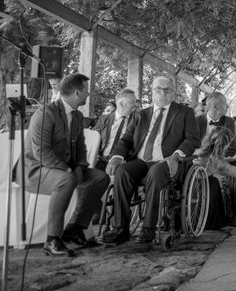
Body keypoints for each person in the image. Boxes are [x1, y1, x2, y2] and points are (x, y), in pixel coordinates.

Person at [99, 76, 199, 245]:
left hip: (166, 162)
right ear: (151, 91)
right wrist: (117, 157)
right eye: (158, 89)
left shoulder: (184, 112)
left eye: (167, 89)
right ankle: (120, 228)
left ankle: (148, 228)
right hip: (141, 161)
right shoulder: (141, 115)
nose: (163, 93)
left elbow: (192, 139)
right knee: (122, 171)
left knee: (156, 171)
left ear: (173, 92)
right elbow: (127, 138)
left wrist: (176, 155)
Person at [19, 73, 109, 256]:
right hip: (35, 170)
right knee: (66, 180)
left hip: (65, 170)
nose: (88, 95)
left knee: (101, 178)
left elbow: (81, 147)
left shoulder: (76, 116)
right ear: (77, 93)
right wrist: (69, 170)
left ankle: (75, 227)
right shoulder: (46, 113)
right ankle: (52, 240)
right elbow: (41, 153)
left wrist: (80, 166)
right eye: (86, 91)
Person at [194, 126, 236, 229]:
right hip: (205, 189)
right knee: (213, 182)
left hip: (191, 186)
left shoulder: (199, 152)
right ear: (224, 144)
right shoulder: (217, 161)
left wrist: (232, 158)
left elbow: (216, 161)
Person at [195, 91, 236, 226]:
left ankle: (235, 209)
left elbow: (232, 147)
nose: (227, 107)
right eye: (225, 104)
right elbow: (191, 143)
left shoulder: (229, 122)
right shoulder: (196, 121)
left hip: (221, 158)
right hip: (200, 159)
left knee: (235, 165)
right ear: (216, 106)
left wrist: (219, 156)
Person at [93, 89, 137, 172]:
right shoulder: (104, 119)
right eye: (132, 102)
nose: (135, 105)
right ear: (121, 104)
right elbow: (95, 139)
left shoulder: (136, 121)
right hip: (102, 160)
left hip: (123, 162)